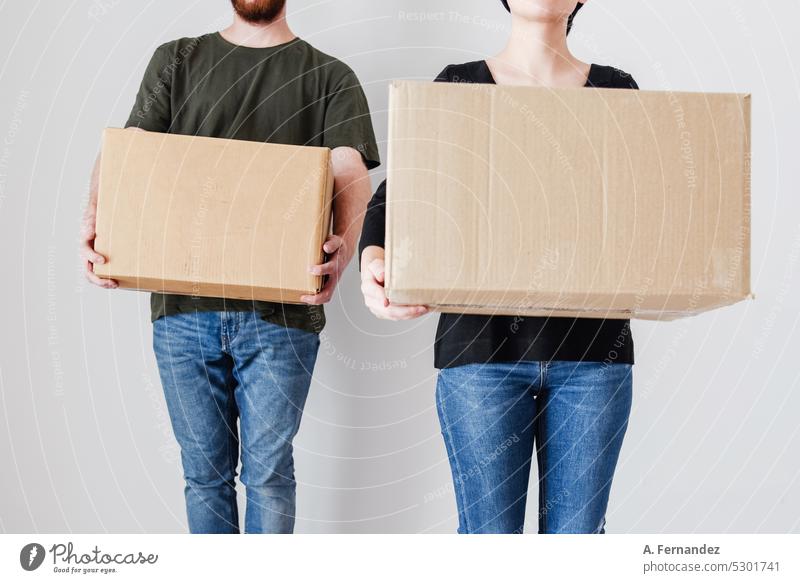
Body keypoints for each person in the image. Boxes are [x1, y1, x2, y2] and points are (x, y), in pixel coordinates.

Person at [80, 0, 380, 534]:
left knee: (267, 476)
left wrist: (344, 252)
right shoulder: (178, 60)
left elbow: (348, 166)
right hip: (182, 312)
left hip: (283, 317)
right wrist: (96, 219)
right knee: (204, 476)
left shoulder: (329, 75)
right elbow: (134, 150)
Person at [359, 0, 638, 534]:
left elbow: (642, 204)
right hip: (481, 354)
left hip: (593, 356)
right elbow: (403, 190)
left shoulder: (617, 91)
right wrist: (374, 258)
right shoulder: (460, 85)